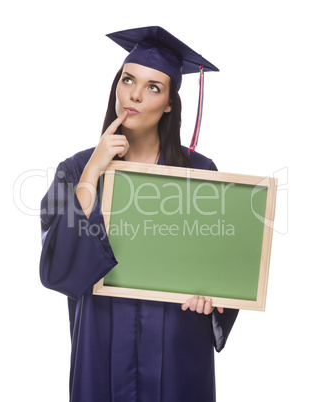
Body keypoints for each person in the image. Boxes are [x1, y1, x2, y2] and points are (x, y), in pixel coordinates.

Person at [40, 26, 238, 402]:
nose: (134, 94)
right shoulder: (77, 167)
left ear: (168, 103)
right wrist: (92, 174)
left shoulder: (199, 171)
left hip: (177, 342)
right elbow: (56, 268)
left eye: (153, 87)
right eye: (128, 79)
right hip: (100, 340)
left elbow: (221, 266)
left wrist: (213, 298)